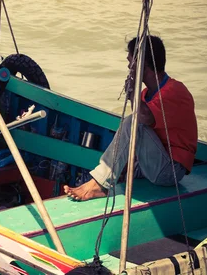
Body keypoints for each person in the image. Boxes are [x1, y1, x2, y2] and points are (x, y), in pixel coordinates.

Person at [64, 36, 198, 201]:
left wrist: (133, 91)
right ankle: (104, 178)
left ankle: (99, 183)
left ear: (144, 64)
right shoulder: (146, 94)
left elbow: (143, 119)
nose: (129, 67)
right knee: (129, 140)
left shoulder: (175, 91)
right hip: (152, 164)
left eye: (131, 62)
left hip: (169, 171)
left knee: (134, 123)